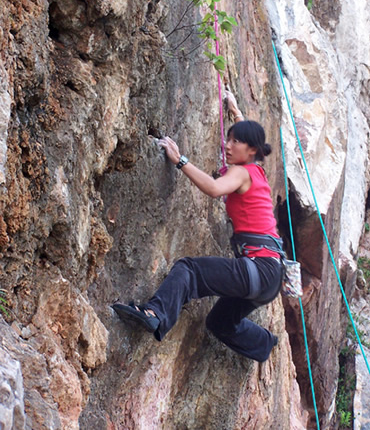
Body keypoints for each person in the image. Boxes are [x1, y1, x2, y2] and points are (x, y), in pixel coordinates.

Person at [113, 91, 284, 363]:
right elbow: (249, 142)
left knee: (189, 270)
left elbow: (215, 189)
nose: (228, 145)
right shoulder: (256, 171)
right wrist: (235, 109)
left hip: (258, 268)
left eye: (235, 141)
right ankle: (264, 343)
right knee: (220, 323)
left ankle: (156, 315)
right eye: (228, 138)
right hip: (270, 278)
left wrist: (180, 160)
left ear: (250, 149)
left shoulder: (241, 172)